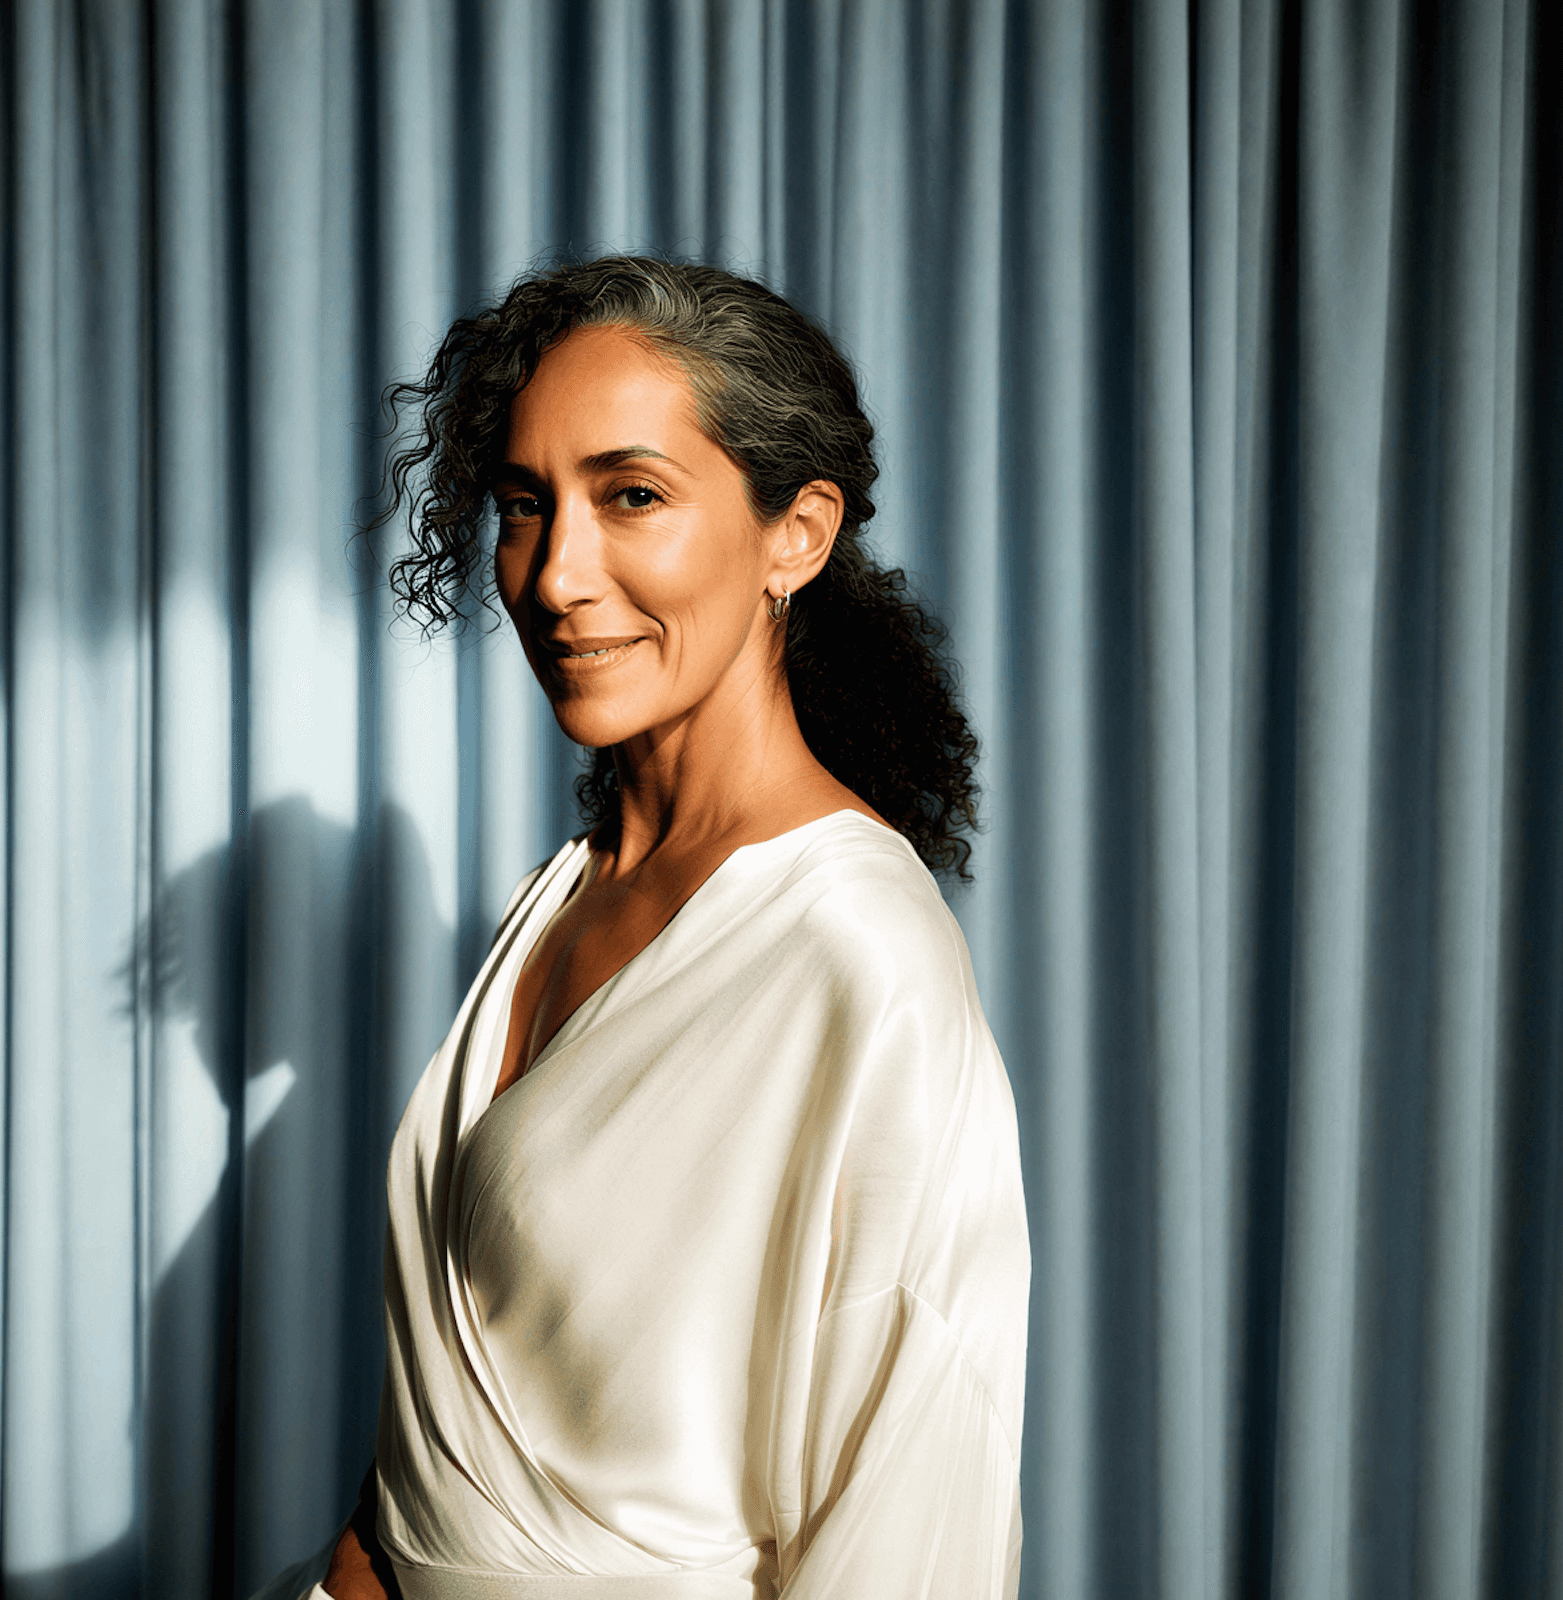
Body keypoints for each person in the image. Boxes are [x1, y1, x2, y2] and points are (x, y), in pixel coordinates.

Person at [307, 257, 1030, 1598]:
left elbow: (907, 1495)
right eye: (526, 505)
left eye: (631, 495)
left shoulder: (856, 954)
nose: (555, 576)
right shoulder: (565, 891)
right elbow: (480, 1407)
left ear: (795, 536)